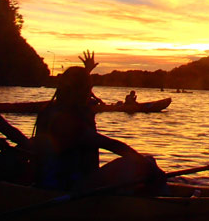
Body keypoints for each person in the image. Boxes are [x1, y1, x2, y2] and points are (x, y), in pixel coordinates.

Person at [32, 63, 165, 192]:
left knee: (147, 161)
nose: (90, 93)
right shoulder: (64, 120)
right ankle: (165, 201)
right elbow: (110, 144)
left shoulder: (51, 110)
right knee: (143, 163)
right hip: (70, 187)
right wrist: (145, 164)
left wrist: (87, 70)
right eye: (88, 88)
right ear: (80, 91)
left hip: (67, 183)